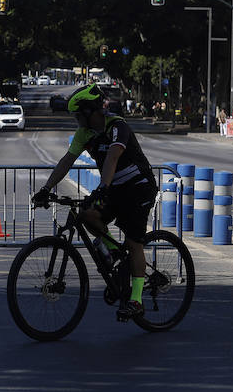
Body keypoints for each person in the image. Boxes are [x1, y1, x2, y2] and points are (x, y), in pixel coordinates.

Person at [31, 82, 158, 322]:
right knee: (86, 214)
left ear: (91, 112)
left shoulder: (117, 127)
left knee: (134, 242)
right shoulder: (84, 134)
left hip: (139, 188)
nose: (77, 120)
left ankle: (136, 300)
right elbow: (67, 160)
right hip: (113, 188)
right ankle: (112, 253)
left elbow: (112, 158)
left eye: (79, 115)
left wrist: (102, 188)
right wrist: (46, 188)